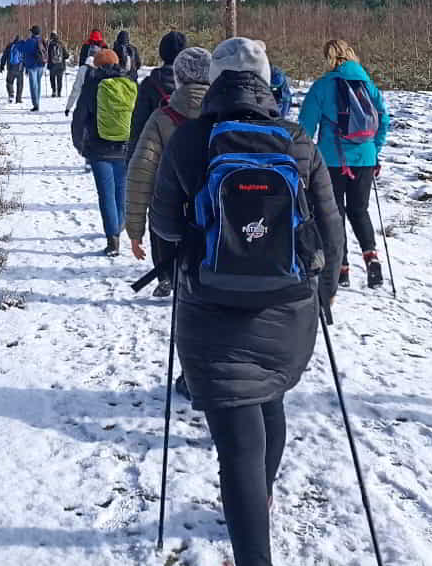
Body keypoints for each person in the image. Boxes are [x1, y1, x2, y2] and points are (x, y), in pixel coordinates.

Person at [149, 37, 344, 566]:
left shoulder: (190, 140)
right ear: (266, 80)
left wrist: (178, 261)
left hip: (209, 306)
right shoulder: (296, 139)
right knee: (271, 398)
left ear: (214, 80)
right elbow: (330, 226)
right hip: (288, 304)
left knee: (237, 444)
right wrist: (322, 295)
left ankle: (253, 544)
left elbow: (163, 222)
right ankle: (262, 499)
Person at [295, 39, 391, 288]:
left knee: (333, 214)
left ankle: (342, 269)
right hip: (365, 158)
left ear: (328, 58)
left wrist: (306, 159)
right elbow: (384, 120)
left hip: (332, 161)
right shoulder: (368, 84)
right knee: (359, 210)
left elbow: (305, 127)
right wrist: (374, 150)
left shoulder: (322, 86)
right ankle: (371, 259)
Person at [125, 45, 211, 298]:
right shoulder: (225, 115)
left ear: (178, 77)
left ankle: (166, 277)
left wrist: (134, 230)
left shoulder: (162, 118)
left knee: (161, 224)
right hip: (213, 207)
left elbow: (141, 173)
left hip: (169, 209)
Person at [69, 48, 138, 254]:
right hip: (125, 148)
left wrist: (80, 145)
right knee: (121, 190)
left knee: (106, 194)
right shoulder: (131, 84)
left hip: (99, 150)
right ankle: (119, 224)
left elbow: (79, 118)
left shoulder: (92, 86)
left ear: (96, 65)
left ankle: (112, 238)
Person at [129, 30, 188, 151]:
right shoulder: (194, 84)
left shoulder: (149, 84)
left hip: (155, 154)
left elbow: (138, 125)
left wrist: (131, 157)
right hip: (187, 154)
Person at [15, 24, 47, 111]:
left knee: (33, 85)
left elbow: (21, 49)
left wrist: (19, 42)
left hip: (32, 66)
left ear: (32, 32)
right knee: (38, 84)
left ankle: (36, 105)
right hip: (41, 65)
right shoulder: (42, 40)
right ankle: (37, 102)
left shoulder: (30, 41)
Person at [0, 33, 24, 104]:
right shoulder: (23, 46)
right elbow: (26, 57)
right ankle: (18, 99)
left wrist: (1, 66)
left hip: (11, 68)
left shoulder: (9, 46)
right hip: (20, 68)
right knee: (20, 84)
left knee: (9, 82)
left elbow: (4, 56)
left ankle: (11, 94)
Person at [46, 31, 70, 97]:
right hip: (61, 65)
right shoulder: (61, 44)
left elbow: (48, 55)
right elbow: (66, 55)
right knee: (59, 79)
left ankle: (54, 91)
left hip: (52, 65)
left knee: (52, 78)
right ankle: (59, 92)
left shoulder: (50, 44)